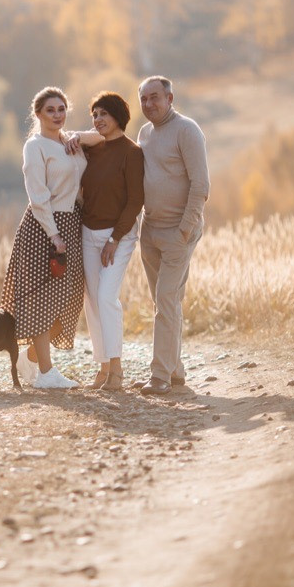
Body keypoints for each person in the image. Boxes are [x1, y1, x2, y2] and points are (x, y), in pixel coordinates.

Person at [1, 87, 103, 389]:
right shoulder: (35, 147)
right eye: (50, 110)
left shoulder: (68, 140)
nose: (57, 115)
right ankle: (46, 373)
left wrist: (78, 137)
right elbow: (37, 197)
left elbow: (102, 136)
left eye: (61, 109)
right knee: (42, 298)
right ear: (38, 114)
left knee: (70, 298)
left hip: (73, 222)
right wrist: (54, 235)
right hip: (44, 228)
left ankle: (30, 358)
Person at [134, 76, 210, 396]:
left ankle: (160, 376)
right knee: (165, 301)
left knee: (166, 299)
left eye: (155, 98)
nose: (149, 104)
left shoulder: (187, 130)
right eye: (144, 99)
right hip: (149, 230)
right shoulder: (144, 133)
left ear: (170, 98)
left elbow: (201, 185)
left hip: (179, 231)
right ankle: (175, 370)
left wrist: (185, 230)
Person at [79, 92, 145, 391]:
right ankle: (103, 368)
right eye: (94, 115)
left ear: (118, 115)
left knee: (106, 296)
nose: (98, 120)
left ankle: (117, 369)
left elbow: (135, 201)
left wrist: (115, 238)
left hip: (119, 235)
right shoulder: (91, 150)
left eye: (103, 114)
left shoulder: (132, 152)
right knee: (92, 300)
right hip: (88, 232)